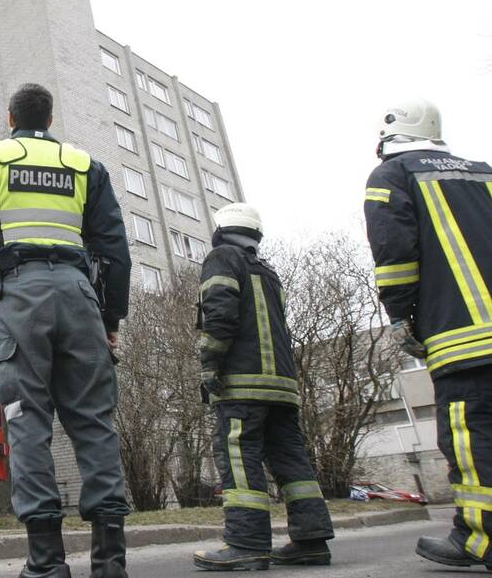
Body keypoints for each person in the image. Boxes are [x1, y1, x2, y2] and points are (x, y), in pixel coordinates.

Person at [0, 83, 131, 578]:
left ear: (10, 118)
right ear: (49, 120)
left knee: (27, 421)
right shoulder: (86, 166)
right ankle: (110, 564)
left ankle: (47, 564)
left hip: (24, 296)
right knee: (94, 421)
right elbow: (115, 252)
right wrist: (110, 322)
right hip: (80, 296)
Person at [363, 99, 492, 569]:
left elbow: (394, 254)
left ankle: (481, 538)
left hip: (464, 339)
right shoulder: (483, 172)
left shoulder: (392, 176)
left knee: (473, 439)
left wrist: (400, 317)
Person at [193, 203, 334, 571]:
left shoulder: (222, 257)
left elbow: (220, 314)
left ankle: (246, 544)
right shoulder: (269, 272)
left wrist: (210, 364)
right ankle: (311, 541)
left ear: (221, 228)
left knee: (239, 457)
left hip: (242, 384)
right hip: (283, 387)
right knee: (292, 460)